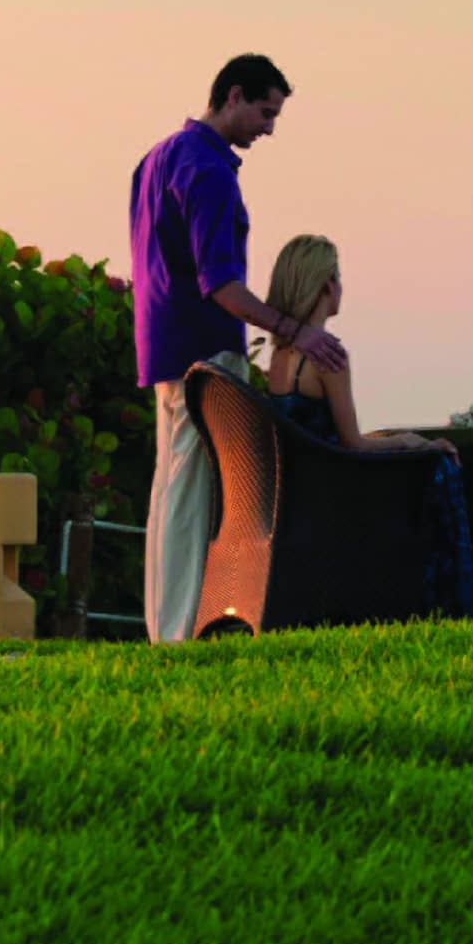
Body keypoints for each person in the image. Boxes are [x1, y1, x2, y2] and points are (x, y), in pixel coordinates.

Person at [130, 54, 348, 643]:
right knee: (192, 493)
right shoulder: (209, 172)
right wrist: (294, 328)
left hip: (161, 347)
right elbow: (220, 285)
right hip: (203, 350)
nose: (269, 128)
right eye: (265, 111)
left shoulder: (156, 159)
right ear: (233, 96)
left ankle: (164, 626)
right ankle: (177, 634)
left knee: (168, 487)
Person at [264, 234, 473, 620]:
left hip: (303, 492)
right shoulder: (327, 356)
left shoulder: (279, 358)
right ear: (325, 286)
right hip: (338, 495)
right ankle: (461, 603)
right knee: (439, 467)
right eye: (338, 278)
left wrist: (396, 441)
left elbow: (329, 438)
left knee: (422, 454)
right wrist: (412, 442)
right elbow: (353, 444)